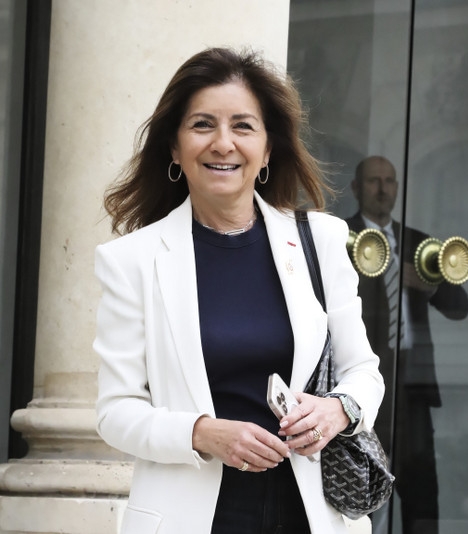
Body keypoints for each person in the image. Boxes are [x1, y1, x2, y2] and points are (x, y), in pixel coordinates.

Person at [93, 47, 384, 534]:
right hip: (192, 517)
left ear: (268, 149)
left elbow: (364, 373)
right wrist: (204, 433)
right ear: (174, 146)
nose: (223, 143)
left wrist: (337, 410)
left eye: (243, 126)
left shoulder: (324, 241)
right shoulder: (132, 261)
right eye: (203, 124)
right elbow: (116, 412)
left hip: (310, 514)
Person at [345, 156, 468, 534]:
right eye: (373, 181)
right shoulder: (340, 236)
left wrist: (431, 286)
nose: (383, 189)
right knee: (360, 496)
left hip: (413, 387)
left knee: (420, 496)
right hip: (359, 384)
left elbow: (460, 308)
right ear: (356, 189)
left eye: (390, 181)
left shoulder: (419, 243)